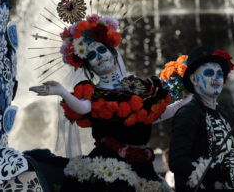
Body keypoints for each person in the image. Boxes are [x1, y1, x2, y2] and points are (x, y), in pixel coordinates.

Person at [30, 11, 191, 191]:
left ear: (113, 53)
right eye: (91, 56)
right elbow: (83, 108)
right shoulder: (95, 92)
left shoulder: (137, 84)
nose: (99, 57)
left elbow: (152, 115)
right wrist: (61, 91)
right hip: (109, 166)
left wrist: (182, 104)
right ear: (88, 66)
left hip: (142, 166)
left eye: (101, 50)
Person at [168, 46, 234, 192]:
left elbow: (230, 157)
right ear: (194, 79)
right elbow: (177, 161)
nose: (216, 78)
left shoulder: (221, 113)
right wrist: (213, 172)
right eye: (209, 73)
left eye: (220, 74)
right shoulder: (189, 112)